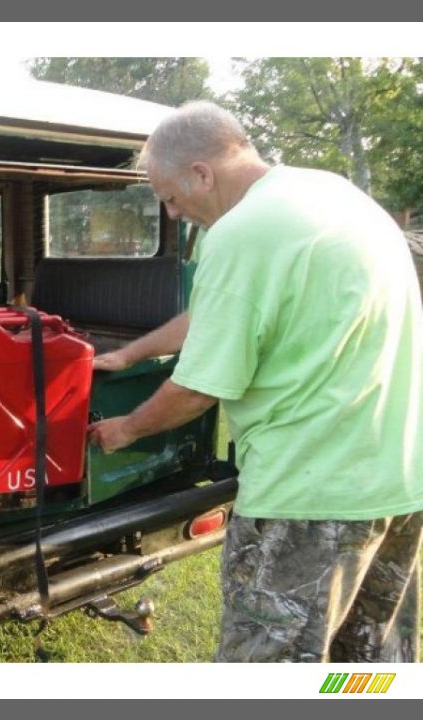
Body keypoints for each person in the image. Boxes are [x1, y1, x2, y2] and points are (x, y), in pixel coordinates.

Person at [88, 101, 423, 662]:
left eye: (169, 197)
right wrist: (132, 355)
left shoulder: (243, 232)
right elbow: (224, 312)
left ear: (202, 172)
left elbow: (199, 389)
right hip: (396, 480)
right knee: (367, 660)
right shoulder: (329, 196)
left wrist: (124, 430)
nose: (171, 214)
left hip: (311, 500)